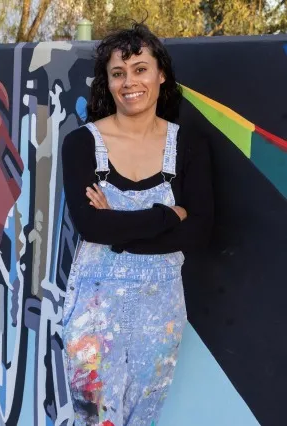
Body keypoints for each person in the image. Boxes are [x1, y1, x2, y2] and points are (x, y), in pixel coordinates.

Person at [61, 23, 213, 426]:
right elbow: (92, 228)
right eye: (118, 73)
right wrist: (167, 216)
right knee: (94, 421)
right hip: (94, 312)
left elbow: (198, 230)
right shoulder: (81, 144)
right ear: (107, 83)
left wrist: (120, 229)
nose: (130, 82)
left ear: (160, 74)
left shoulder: (188, 146)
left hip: (159, 314)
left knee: (142, 420)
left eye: (140, 69)